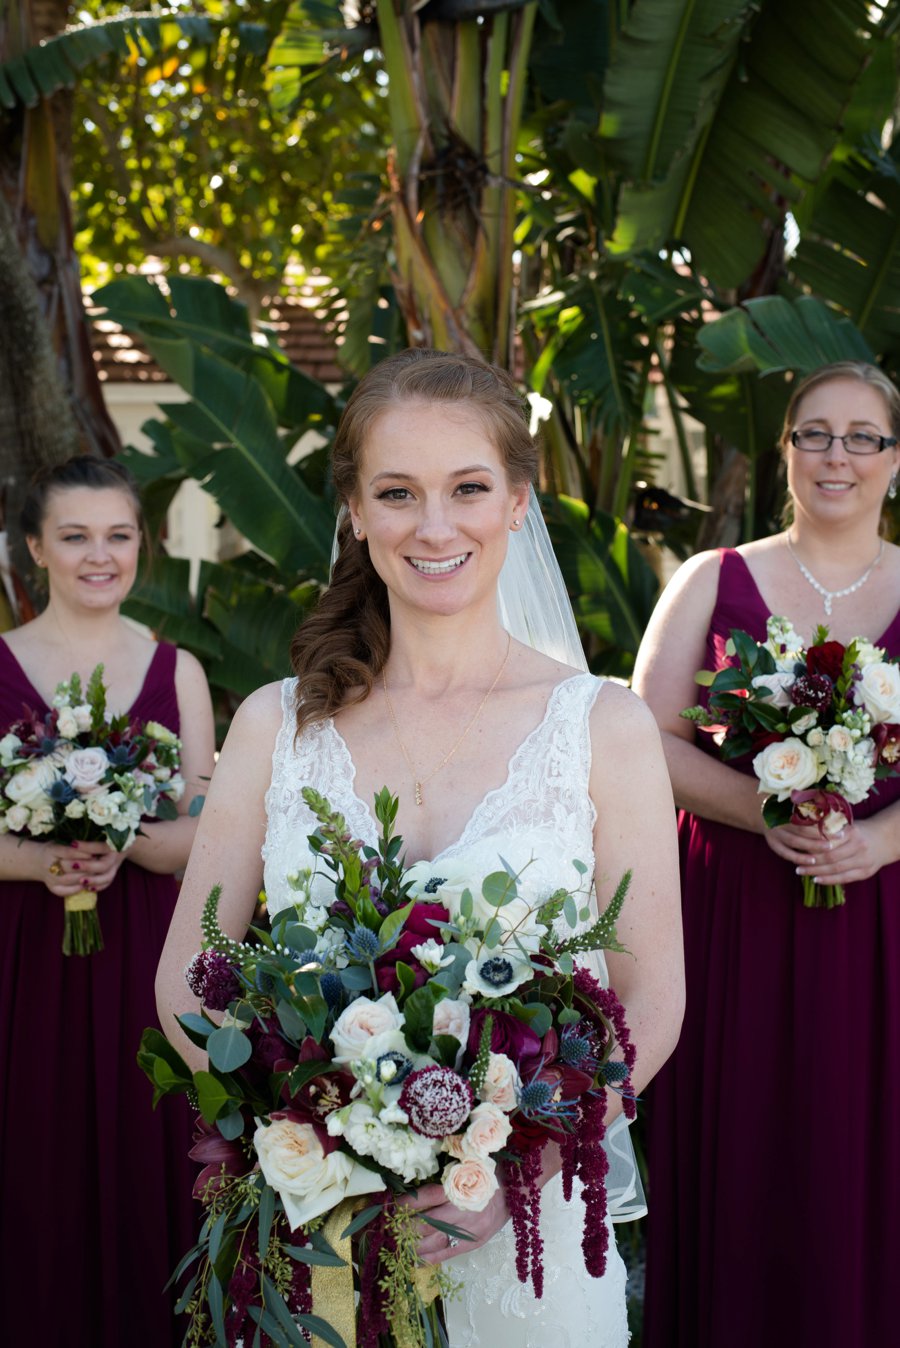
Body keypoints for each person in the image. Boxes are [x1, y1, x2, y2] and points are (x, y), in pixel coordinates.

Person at [157, 348, 685, 1348]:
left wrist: (512, 1166)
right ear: (353, 511)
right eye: (397, 492)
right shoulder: (277, 727)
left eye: (468, 488)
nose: (435, 526)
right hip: (320, 1229)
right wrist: (314, 1137)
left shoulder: (602, 727)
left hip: (531, 1230)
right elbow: (191, 981)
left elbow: (650, 998)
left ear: (520, 502)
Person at [633, 360, 900, 1348]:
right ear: (785, 450)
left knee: (864, 1158)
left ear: (895, 460)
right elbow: (643, 739)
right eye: (815, 434)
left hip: (883, 922)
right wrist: (759, 807)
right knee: (744, 1156)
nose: (838, 456)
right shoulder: (713, 580)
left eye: (862, 436)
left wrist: (876, 840)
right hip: (735, 913)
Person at [0, 456, 216, 1348]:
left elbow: (206, 828)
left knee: (143, 1152)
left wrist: (121, 840)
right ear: (35, 549)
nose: (101, 555)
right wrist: (32, 864)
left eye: (119, 535)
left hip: (144, 959)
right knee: (29, 1159)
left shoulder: (181, 670)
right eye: (77, 536)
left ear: (143, 546)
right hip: (19, 953)